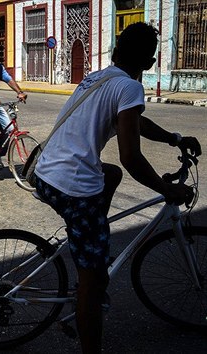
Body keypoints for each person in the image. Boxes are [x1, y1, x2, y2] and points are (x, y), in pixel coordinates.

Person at [33, 22, 201, 353]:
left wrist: (173, 138)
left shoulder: (101, 77)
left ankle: (92, 238)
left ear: (115, 52)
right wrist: (166, 190)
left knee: (109, 175)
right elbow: (131, 157)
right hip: (71, 187)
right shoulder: (129, 87)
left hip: (46, 172)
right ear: (151, 63)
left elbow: (134, 122)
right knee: (93, 283)